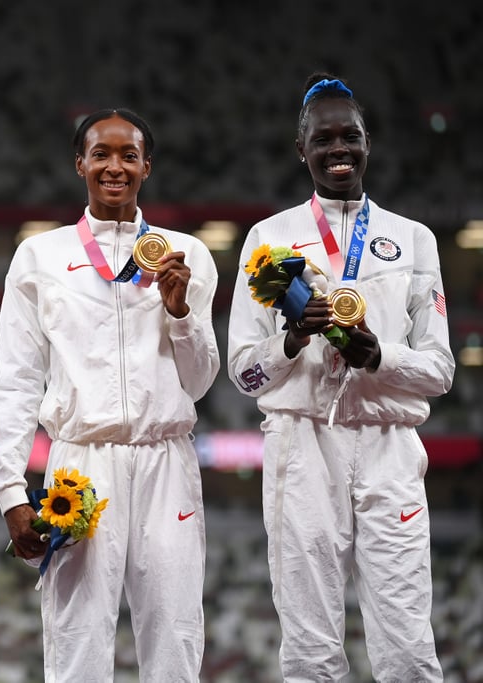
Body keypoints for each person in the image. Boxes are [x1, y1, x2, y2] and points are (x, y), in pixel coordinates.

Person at [226, 73, 454, 681]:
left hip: (388, 448)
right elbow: (243, 376)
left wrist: (380, 357)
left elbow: (440, 372)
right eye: (322, 140)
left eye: (348, 136)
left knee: (407, 643)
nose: (338, 150)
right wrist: (293, 338)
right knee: (309, 647)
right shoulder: (267, 239)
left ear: (367, 142)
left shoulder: (413, 239)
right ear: (300, 149)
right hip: (300, 448)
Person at [0, 109, 219, 681]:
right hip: (80, 465)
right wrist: (11, 490)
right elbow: (17, 382)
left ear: (147, 165)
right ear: (80, 164)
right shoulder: (39, 257)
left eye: (128, 155)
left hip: (166, 458)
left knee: (175, 632)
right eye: (101, 154)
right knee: (76, 639)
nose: (114, 166)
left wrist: (181, 312)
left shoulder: (185, 254)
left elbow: (201, 380)